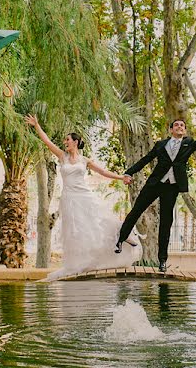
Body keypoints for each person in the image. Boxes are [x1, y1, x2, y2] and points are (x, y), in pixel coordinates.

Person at [116, 116, 196, 272]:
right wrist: (129, 173)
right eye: (176, 125)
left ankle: (162, 260)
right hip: (154, 184)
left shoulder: (189, 143)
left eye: (182, 125)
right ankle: (121, 240)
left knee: (166, 222)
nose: (179, 127)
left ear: (185, 130)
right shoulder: (161, 144)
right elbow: (145, 159)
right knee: (136, 210)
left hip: (172, 187)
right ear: (171, 130)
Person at [24, 115, 141, 281]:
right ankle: (80, 262)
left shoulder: (84, 160)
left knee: (101, 219)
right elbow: (47, 142)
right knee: (76, 230)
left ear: (76, 142)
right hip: (69, 198)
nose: (65, 142)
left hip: (84, 195)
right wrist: (36, 125)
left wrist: (121, 177)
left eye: (68, 140)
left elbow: (103, 172)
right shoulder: (62, 156)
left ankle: (123, 236)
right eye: (65, 140)